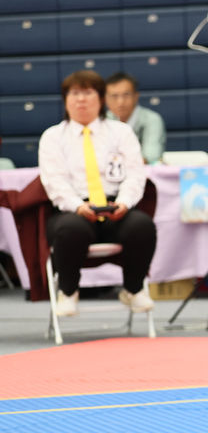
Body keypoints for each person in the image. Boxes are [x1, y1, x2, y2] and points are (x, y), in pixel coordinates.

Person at [37, 70, 156, 317]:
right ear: (65, 100)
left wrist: (124, 202)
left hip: (114, 206)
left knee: (142, 226)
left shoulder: (121, 132)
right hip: (73, 209)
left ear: (101, 99)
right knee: (71, 229)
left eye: (88, 93)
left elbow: (135, 174)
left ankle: (133, 289)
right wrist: (77, 206)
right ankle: (68, 291)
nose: (81, 99)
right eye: (75, 93)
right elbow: (54, 181)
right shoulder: (53, 137)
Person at [104, 72, 167, 164]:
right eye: (114, 96)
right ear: (105, 99)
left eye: (126, 95)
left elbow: (151, 157)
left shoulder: (152, 119)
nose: (120, 102)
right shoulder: (102, 120)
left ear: (136, 96)